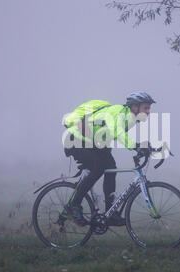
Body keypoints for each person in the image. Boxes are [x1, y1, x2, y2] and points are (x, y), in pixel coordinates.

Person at [62, 91, 155, 226]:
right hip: (75, 140)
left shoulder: (130, 119)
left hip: (92, 143)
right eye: (146, 108)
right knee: (98, 168)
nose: (148, 112)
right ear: (135, 107)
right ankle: (74, 206)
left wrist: (146, 147)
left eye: (149, 108)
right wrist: (136, 146)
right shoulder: (118, 112)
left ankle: (110, 213)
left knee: (111, 167)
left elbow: (111, 135)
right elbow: (118, 132)